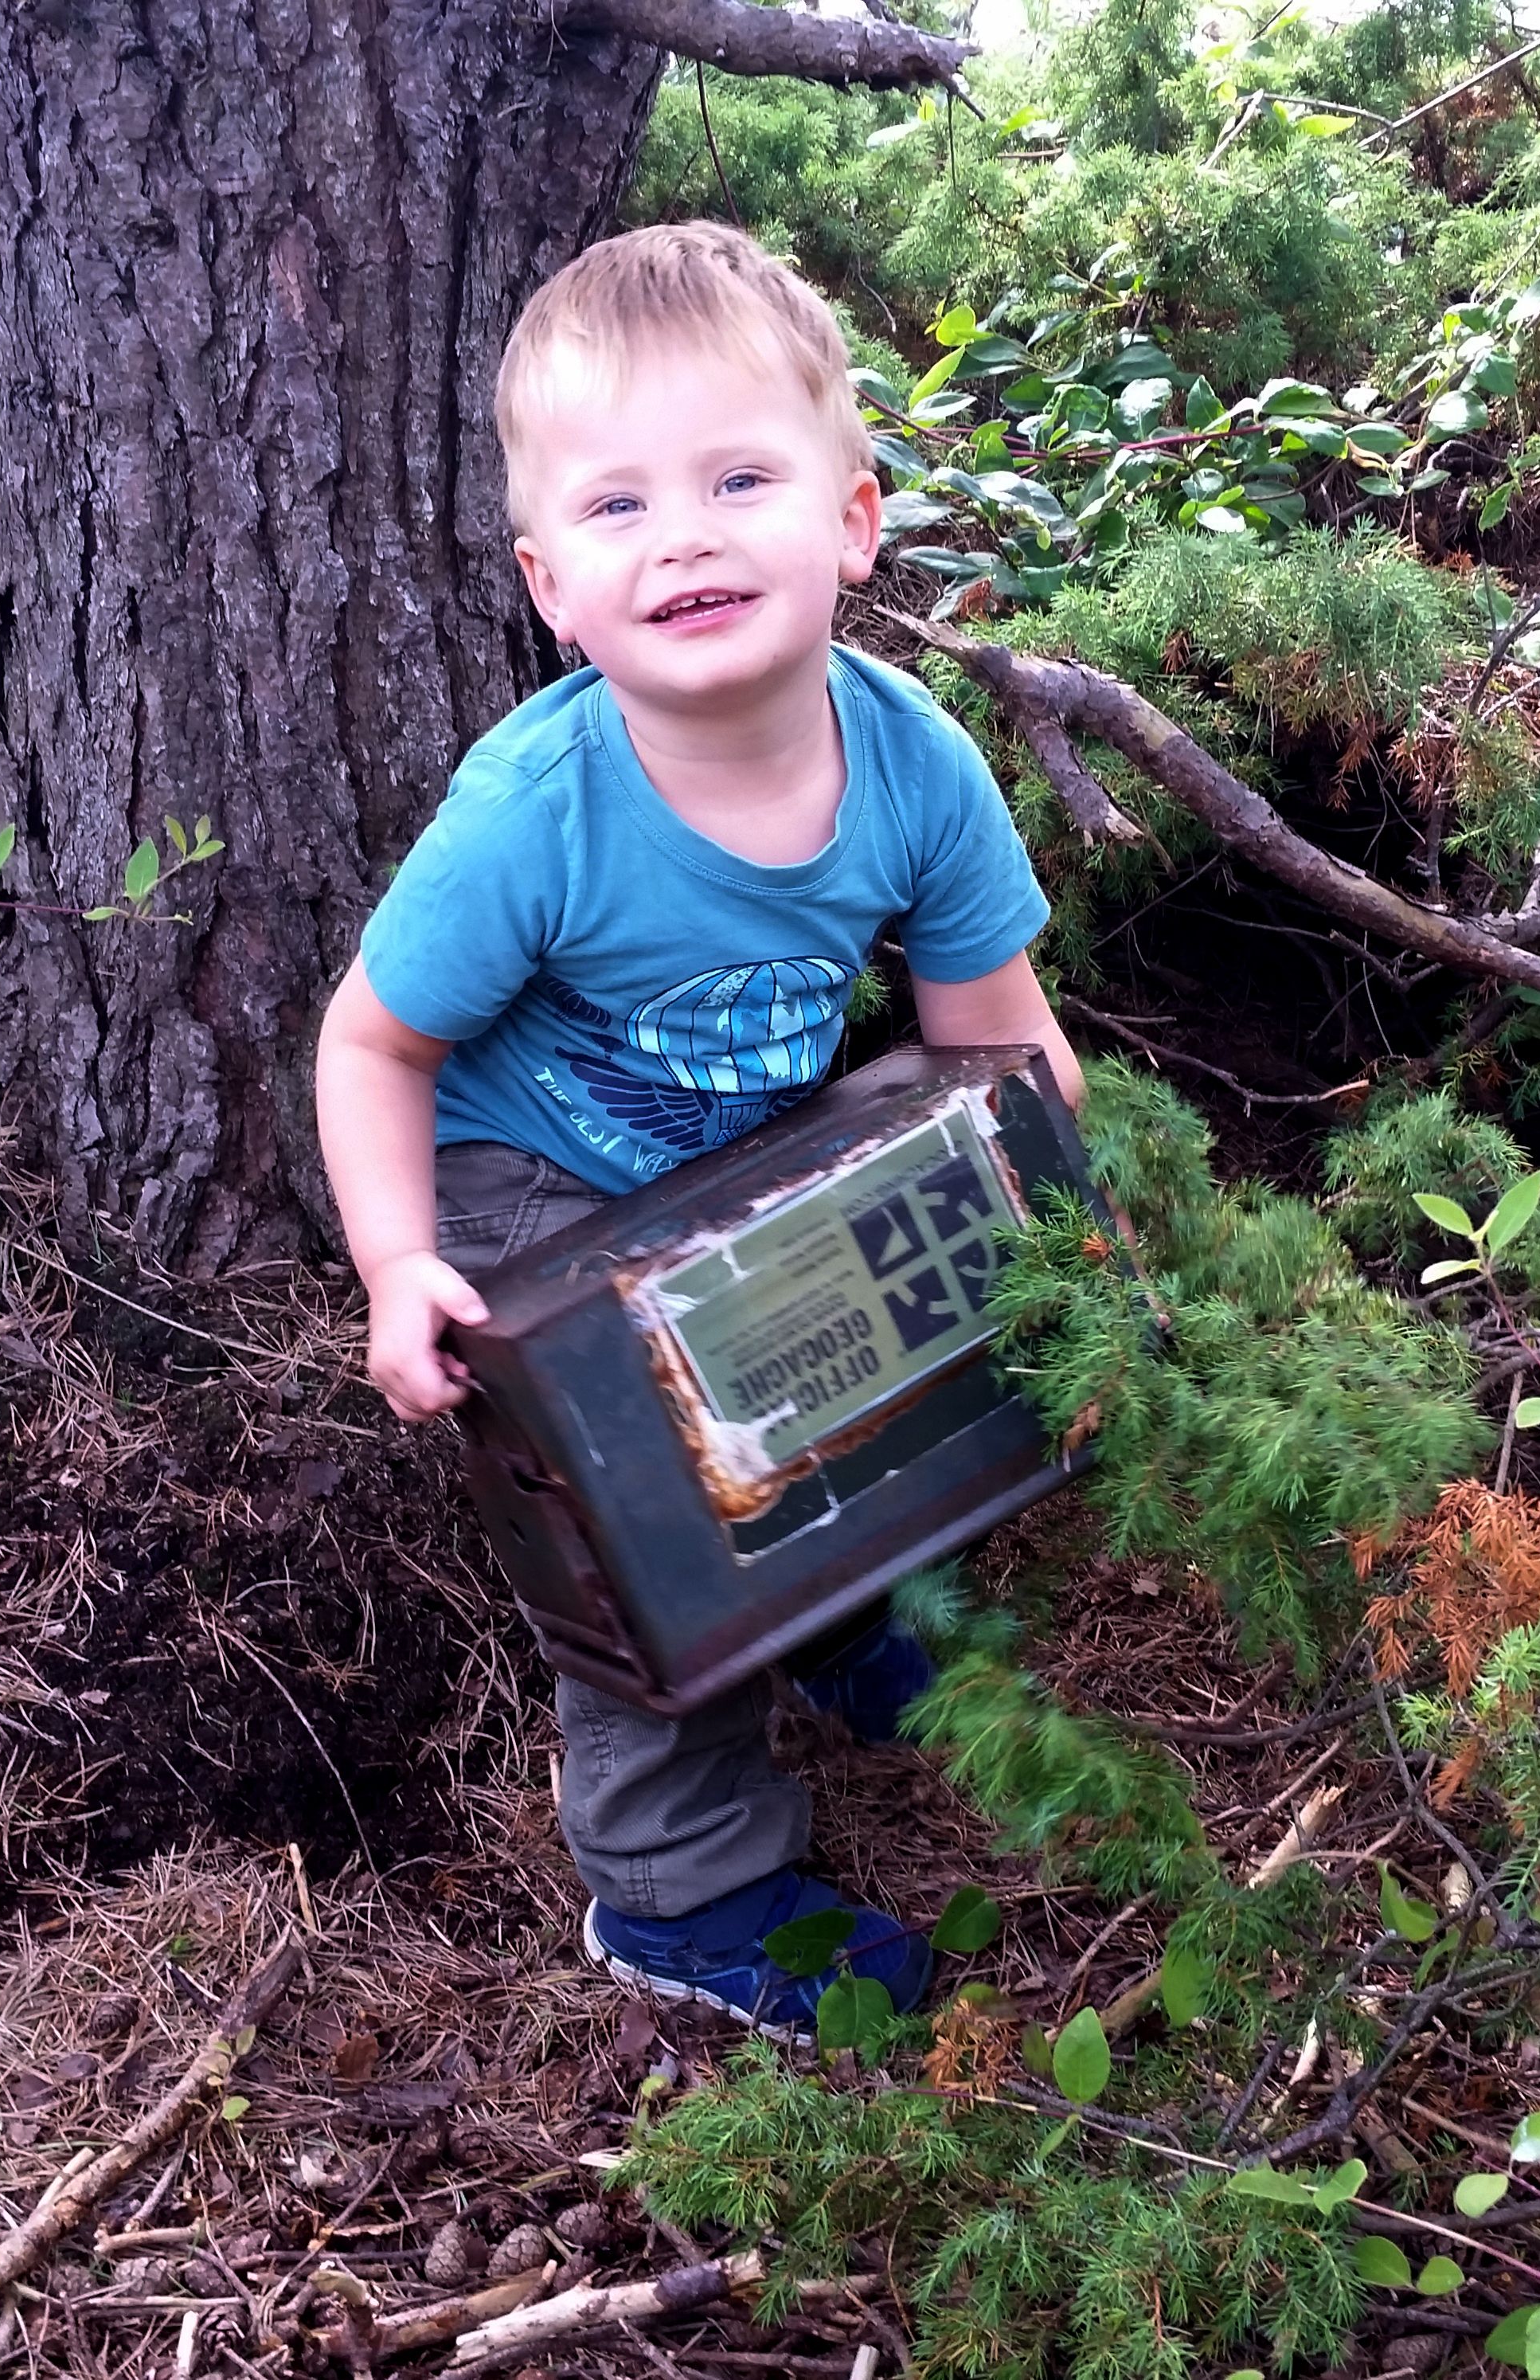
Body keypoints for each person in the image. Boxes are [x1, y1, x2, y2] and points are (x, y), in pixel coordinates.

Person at [312, 221, 1082, 2034]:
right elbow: (369, 1046)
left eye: (742, 477)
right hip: (529, 1180)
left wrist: (1058, 1232)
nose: (685, 537)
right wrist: (400, 1259)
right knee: (657, 1520)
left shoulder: (913, 762)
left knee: (859, 1374)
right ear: (549, 587)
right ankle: (679, 1890)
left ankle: (846, 1612)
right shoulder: (537, 810)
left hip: (746, 1162)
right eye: (617, 507)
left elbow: (998, 1043)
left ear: (853, 520)